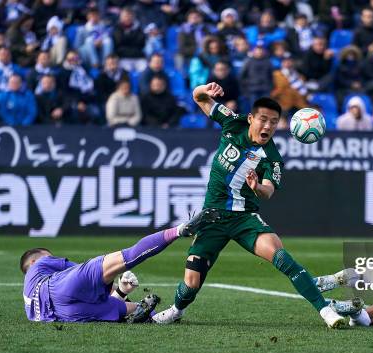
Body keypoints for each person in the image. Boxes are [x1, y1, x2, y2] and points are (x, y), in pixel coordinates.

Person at [152, 82, 348, 328]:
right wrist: (205, 89)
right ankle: (176, 310)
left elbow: (268, 191)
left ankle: (326, 312)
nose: (268, 126)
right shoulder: (232, 122)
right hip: (212, 217)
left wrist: (257, 187)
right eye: (263, 119)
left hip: (244, 218)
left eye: (274, 122)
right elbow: (198, 98)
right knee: (192, 281)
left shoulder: (272, 158)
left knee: (281, 257)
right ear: (250, 118)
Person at [20, 218, 213, 323]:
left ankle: (156, 319)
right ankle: (178, 230)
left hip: (63, 314)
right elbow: (83, 275)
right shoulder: (39, 265)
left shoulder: (28, 299)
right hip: (57, 288)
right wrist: (111, 280)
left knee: (137, 310)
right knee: (128, 257)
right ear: (36, 259)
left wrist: (120, 291)